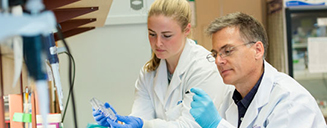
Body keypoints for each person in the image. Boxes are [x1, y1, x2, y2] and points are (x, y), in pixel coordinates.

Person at [92, 0, 226, 127]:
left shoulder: (204, 68)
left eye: (166, 35)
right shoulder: (149, 72)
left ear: (186, 30)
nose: (157, 43)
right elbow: (141, 117)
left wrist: (143, 125)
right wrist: (119, 123)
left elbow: (190, 126)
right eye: (152, 34)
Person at [190, 12, 327, 128]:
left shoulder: (291, 101)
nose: (218, 61)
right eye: (215, 54)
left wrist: (217, 124)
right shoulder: (230, 99)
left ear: (258, 50)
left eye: (228, 51)